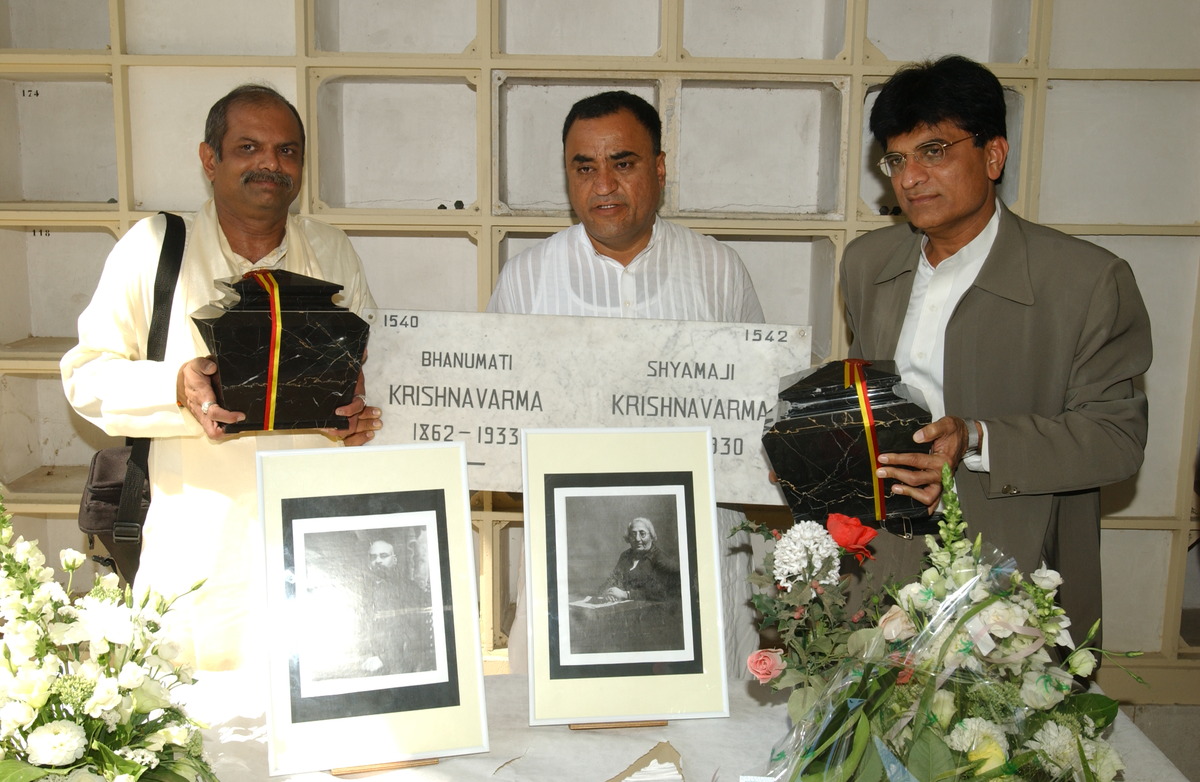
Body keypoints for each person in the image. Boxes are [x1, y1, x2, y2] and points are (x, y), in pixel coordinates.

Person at [61, 84, 383, 671]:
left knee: (318, 727)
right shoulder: (155, 249)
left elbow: (369, 369)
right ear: (210, 160)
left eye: (288, 151)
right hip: (199, 557)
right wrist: (176, 388)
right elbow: (85, 376)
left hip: (319, 554)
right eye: (249, 147)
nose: (271, 164)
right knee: (203, 735)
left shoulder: (332, 252)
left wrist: (358, 414)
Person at [840, 55, 1151, 642]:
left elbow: (1116, 440)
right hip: (885, 562)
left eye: (934, 151)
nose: (909, 178)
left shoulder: (1086, 281)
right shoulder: (866, 264)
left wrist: (976, 438)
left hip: (1012, 571)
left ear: (993, 154)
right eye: (896, 158)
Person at [488, 90, 764, 678]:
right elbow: (499, 427)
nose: (603, 184)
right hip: (570, 548)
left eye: (624, 163)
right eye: (583, 167)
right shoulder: (527, 280)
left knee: (709, 738)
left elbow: (755, 412)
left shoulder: (719, 272)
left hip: (702, 548)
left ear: (659, 169)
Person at [358, 537, 435, 675]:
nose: (378, 561)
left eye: (384, 556)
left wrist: (384, 658)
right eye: (373, 557)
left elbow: (415, 636)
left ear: (395, 559)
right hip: (367, 664)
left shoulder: (410, 589)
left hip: (399, 666)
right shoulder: (361, 591)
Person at [594, 518, 680, 603]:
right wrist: (607, 592)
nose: (637, 539)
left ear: (651, 536)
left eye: (642, 534)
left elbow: (661, 592)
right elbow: (612, 579)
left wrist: (626, 594)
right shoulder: (625, 556)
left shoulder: (660, 558)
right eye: (633, 534)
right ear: (628, 537)